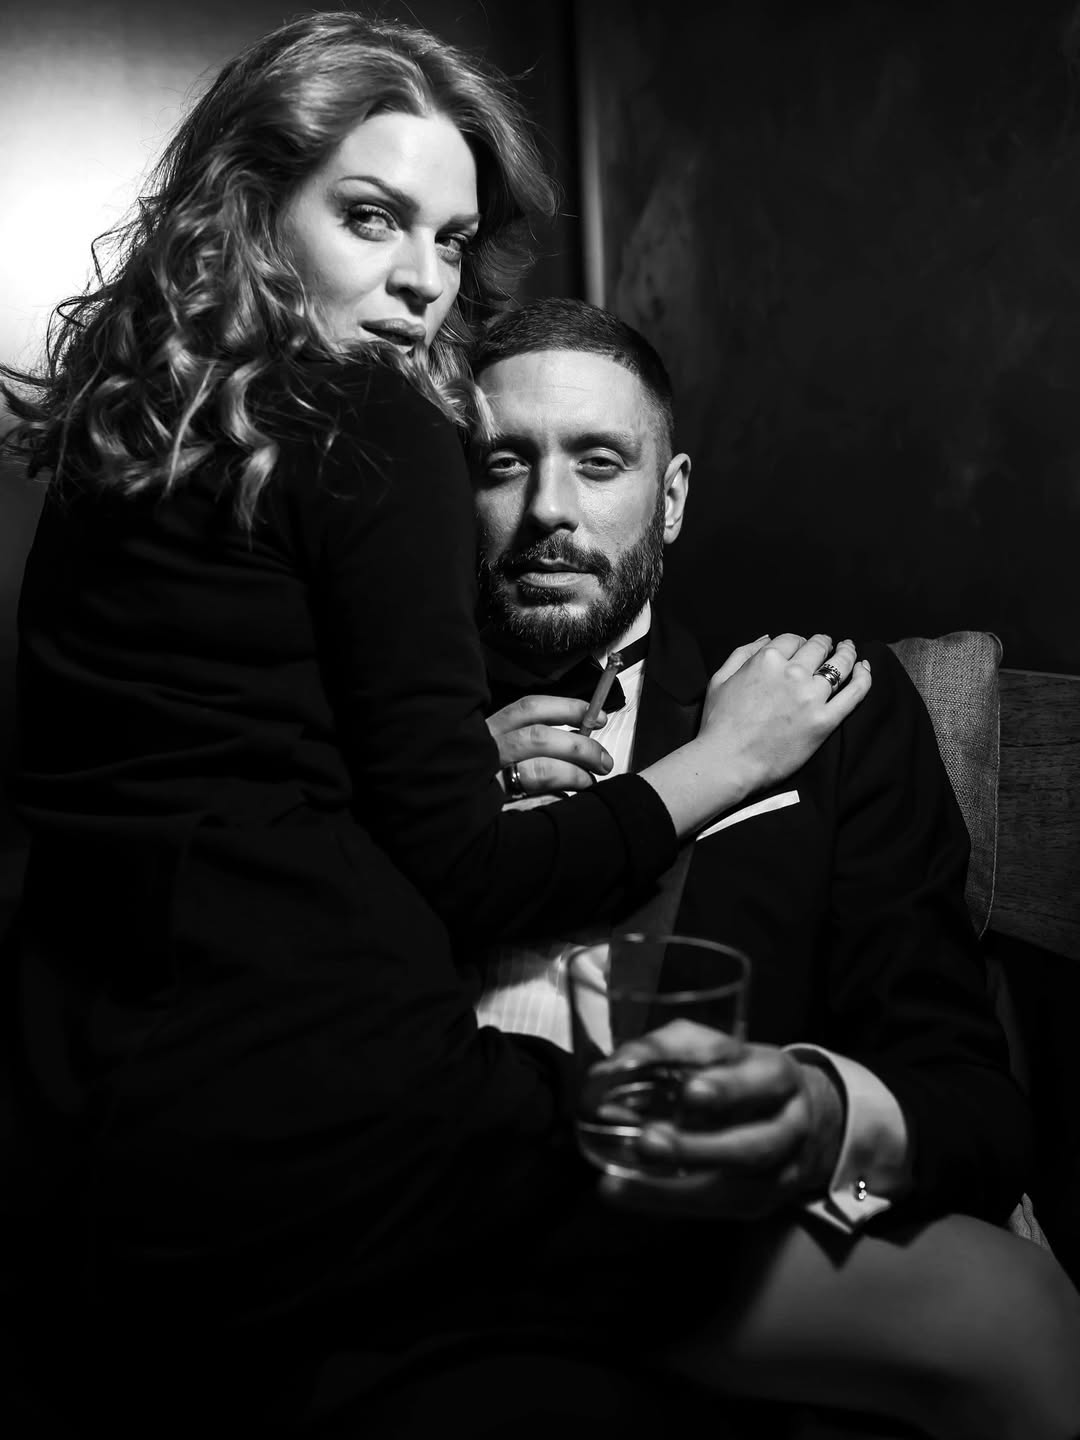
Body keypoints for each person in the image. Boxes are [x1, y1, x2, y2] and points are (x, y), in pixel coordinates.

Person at [0, 12, 879, 1438]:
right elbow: (466, 876)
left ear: (672, 493)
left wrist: (429, 764)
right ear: (251, 206)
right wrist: (727, 759)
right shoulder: (375, 420)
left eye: (454, 240)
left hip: (81, 1127)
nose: (421, 280)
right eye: (371, 217)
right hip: (318, 1127)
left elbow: (202, 780)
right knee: (987, 1314)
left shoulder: (122, 441)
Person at [467, 297, 1080, 1440]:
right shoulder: (373, 732)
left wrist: (817, 1117)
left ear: (672, 495)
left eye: (599, 461)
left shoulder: (828, 713)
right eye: (502, 464)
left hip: (709, 1270)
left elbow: (970, 1105)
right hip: (424, 1250)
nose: (548, 508)